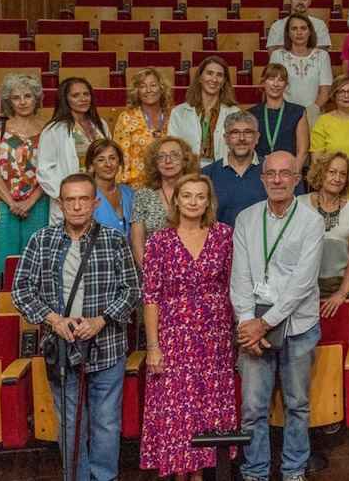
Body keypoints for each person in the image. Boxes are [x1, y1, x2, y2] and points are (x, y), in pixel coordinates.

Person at [11, 173, 140, 481]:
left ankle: (104, 477)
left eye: (84, 200)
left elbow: (132, 288)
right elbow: (21, 290)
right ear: (60, 203)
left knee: (106, 423)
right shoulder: (41, 240)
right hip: (62, 349)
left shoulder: (114, 239)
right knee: (70, 424)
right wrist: (53, 319)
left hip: (107, 347)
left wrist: (101, 320)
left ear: (95, 203)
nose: (78, 207)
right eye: (71, 200)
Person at [231, 152, 323, 481]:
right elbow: (240, 277)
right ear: (262, 179)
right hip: (253, 327)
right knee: (253, 408)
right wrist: (246, 323)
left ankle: (293, 470)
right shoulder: (247, 219)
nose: (278, 180)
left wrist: (263, 324)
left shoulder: (312, 221)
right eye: (270, 174)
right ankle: (254, 472)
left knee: (297, 405)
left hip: (298, 327)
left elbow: (302, 283)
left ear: (298, 180)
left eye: (286, 174)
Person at [140, 174, 235, 481]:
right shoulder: (159, 241)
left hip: (214, 340)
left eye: (200, 196)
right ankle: (182, 475)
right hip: (174, 338)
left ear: (208, 201)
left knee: (208, 409)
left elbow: (235, 285)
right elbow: (151, 296)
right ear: (176, 200)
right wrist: (153, 347)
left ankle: (200, 475)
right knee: (177, 411)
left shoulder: (224, 235)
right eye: (187, 195)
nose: (193, 202)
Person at [0, 74, 46, 272]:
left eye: (27, 96)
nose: (22, 102)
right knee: (6, 261)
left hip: (37, 203)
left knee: (36, 260)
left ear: (36, 98)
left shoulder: (48, 130)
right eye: (16, 98)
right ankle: (5, 301)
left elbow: (51, 170)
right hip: (2, 203)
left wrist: (29, 201)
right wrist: (12, 203)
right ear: (9, 102)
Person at [37, 77, 112, 224]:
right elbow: (44, 170)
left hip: (99, 197)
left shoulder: (99, 125)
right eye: (75, 95)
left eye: (86, 94)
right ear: (65, 100)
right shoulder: (54, 130)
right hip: (73, 202)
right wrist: (67, 196)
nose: (83, 99)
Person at [303, 152, 349, 321]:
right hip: (305, 289)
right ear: (321, 172)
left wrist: (342, 293)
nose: (337, 178)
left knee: (348, 344)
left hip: (344, 287)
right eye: (332, 172)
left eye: (342, 174)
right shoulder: (299, 205)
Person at [131, 137, 199, 267]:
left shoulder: (198, 192)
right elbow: (137, 244)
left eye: (174, 155)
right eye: (161, 156)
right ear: (155, 163)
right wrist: (151, 275)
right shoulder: (143, 195)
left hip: (193, 271)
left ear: (185, 161)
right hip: (153, 272)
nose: (168, 161)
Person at [167, 56, 240, 169]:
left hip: (223, 171)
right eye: (209, 73)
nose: (214, 79)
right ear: (200, 78)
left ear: (224, 81)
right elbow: (172, 148)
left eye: (219, 75)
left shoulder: (234, 113)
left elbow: (238, 148)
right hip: (188, 173)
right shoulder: (179, 112)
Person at [202, 111, 266, 226]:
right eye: (235, 133)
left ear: (256, 138)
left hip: (265, 242)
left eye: (248, 132)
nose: (241, 138)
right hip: (220, 242)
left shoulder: (271, 171)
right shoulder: (206, 174)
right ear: (226, 138)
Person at [269, 13, 333, 127]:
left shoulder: (322, 56)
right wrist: (290, 113)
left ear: (310, 32)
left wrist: (311, 112)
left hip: (314, 115)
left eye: (303, 28)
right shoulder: (277, 56)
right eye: (294, 29)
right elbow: (274, 88)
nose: (299, 33)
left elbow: (325, 91)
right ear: (288, 33)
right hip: (285, 115)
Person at [113, 67, 174, 187]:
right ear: (137, 92)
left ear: (161, 89)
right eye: (142, 86)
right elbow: (120, 157)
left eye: (153, 85)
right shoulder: (127, 117)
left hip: (169, 183)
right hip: (137, 185)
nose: (149, 90)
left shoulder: (173, 116)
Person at [248, 63, 309, 163]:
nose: (276, 84)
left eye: (280, 80)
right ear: (263, 82)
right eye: (271, 79)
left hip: (289, 171)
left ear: (286, 84)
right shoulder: (252, 114)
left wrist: (293, 175)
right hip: (258, 172)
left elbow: (302, 151)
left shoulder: (298, 112)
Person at [85, 139, 134, 237]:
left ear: (119, 161)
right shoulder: (85, 195)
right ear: (91, 164)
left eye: (112, 158)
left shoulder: (130, 194)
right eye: (100, 160)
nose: (108, 164)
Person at [267, 0, 331, 53]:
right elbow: (273, 54)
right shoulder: (277, 26)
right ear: (290, 0)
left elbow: (322, 53)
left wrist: (285, 48)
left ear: (309, 1)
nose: (300, 2)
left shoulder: (320, 25)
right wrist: (309, 48)